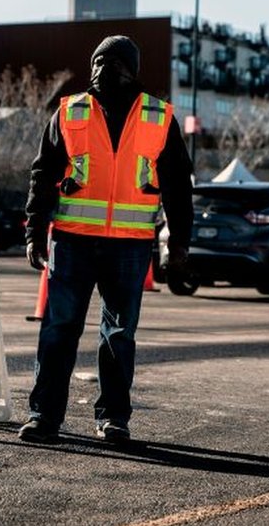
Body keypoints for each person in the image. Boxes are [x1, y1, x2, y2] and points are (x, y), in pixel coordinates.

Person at [20, 35, 193, 444]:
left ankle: (114, 418)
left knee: (119, 335)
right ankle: (44, 415)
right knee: (59, 330)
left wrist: (179, 242)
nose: (104, 69)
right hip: (72, 240)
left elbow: (177, 186)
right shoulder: (69, 111)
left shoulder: (158, 116)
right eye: (98, 61)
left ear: (133, 69)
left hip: (129, 246)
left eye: (115, 62)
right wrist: (34, 231)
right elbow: (42, 175)